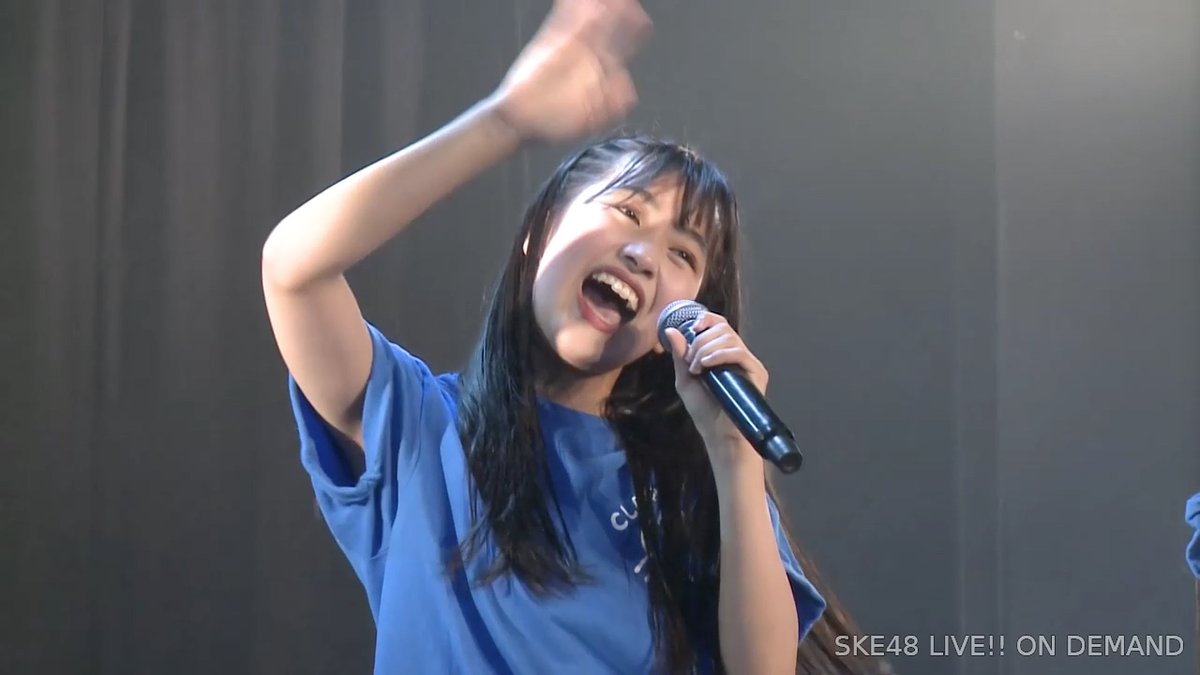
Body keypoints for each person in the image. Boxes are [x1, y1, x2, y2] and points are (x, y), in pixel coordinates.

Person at [262, 1, 883, 672]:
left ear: (673, 328)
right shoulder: (417, 428)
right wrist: (502, 121)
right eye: (628, 212)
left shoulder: (694, 483)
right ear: (538, 234)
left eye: (683, 253)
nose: (645, 255)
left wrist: (736, 460)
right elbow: (294, 270)